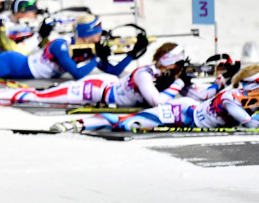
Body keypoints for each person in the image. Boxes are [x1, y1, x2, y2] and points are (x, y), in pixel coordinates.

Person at [0, 14, 142, 84]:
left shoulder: (88, 50)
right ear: (88, 33)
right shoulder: (61, 46)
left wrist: (132, 54)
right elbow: (78, 74)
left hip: (16, 67)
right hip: (10, 63)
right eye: (97, 32)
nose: (101, 36)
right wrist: (96, 57)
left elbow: (111, 71)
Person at [0, 41, 188, 108]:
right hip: (93, 89)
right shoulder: (145, 75)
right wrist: (177, 85)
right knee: (40, 97)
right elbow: (156, 102)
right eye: (179, 64)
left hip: (108, 84)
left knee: (45, 94)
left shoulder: (158, 76)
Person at [50, 64, 259, 133]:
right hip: (183, 113)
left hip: (192, 107)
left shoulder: (241, 95)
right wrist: (179, 82)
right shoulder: (231, 97)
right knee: (128, 123)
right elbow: (248, 123)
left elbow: (203, 94)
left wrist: (222, 77)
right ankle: (77, 124)